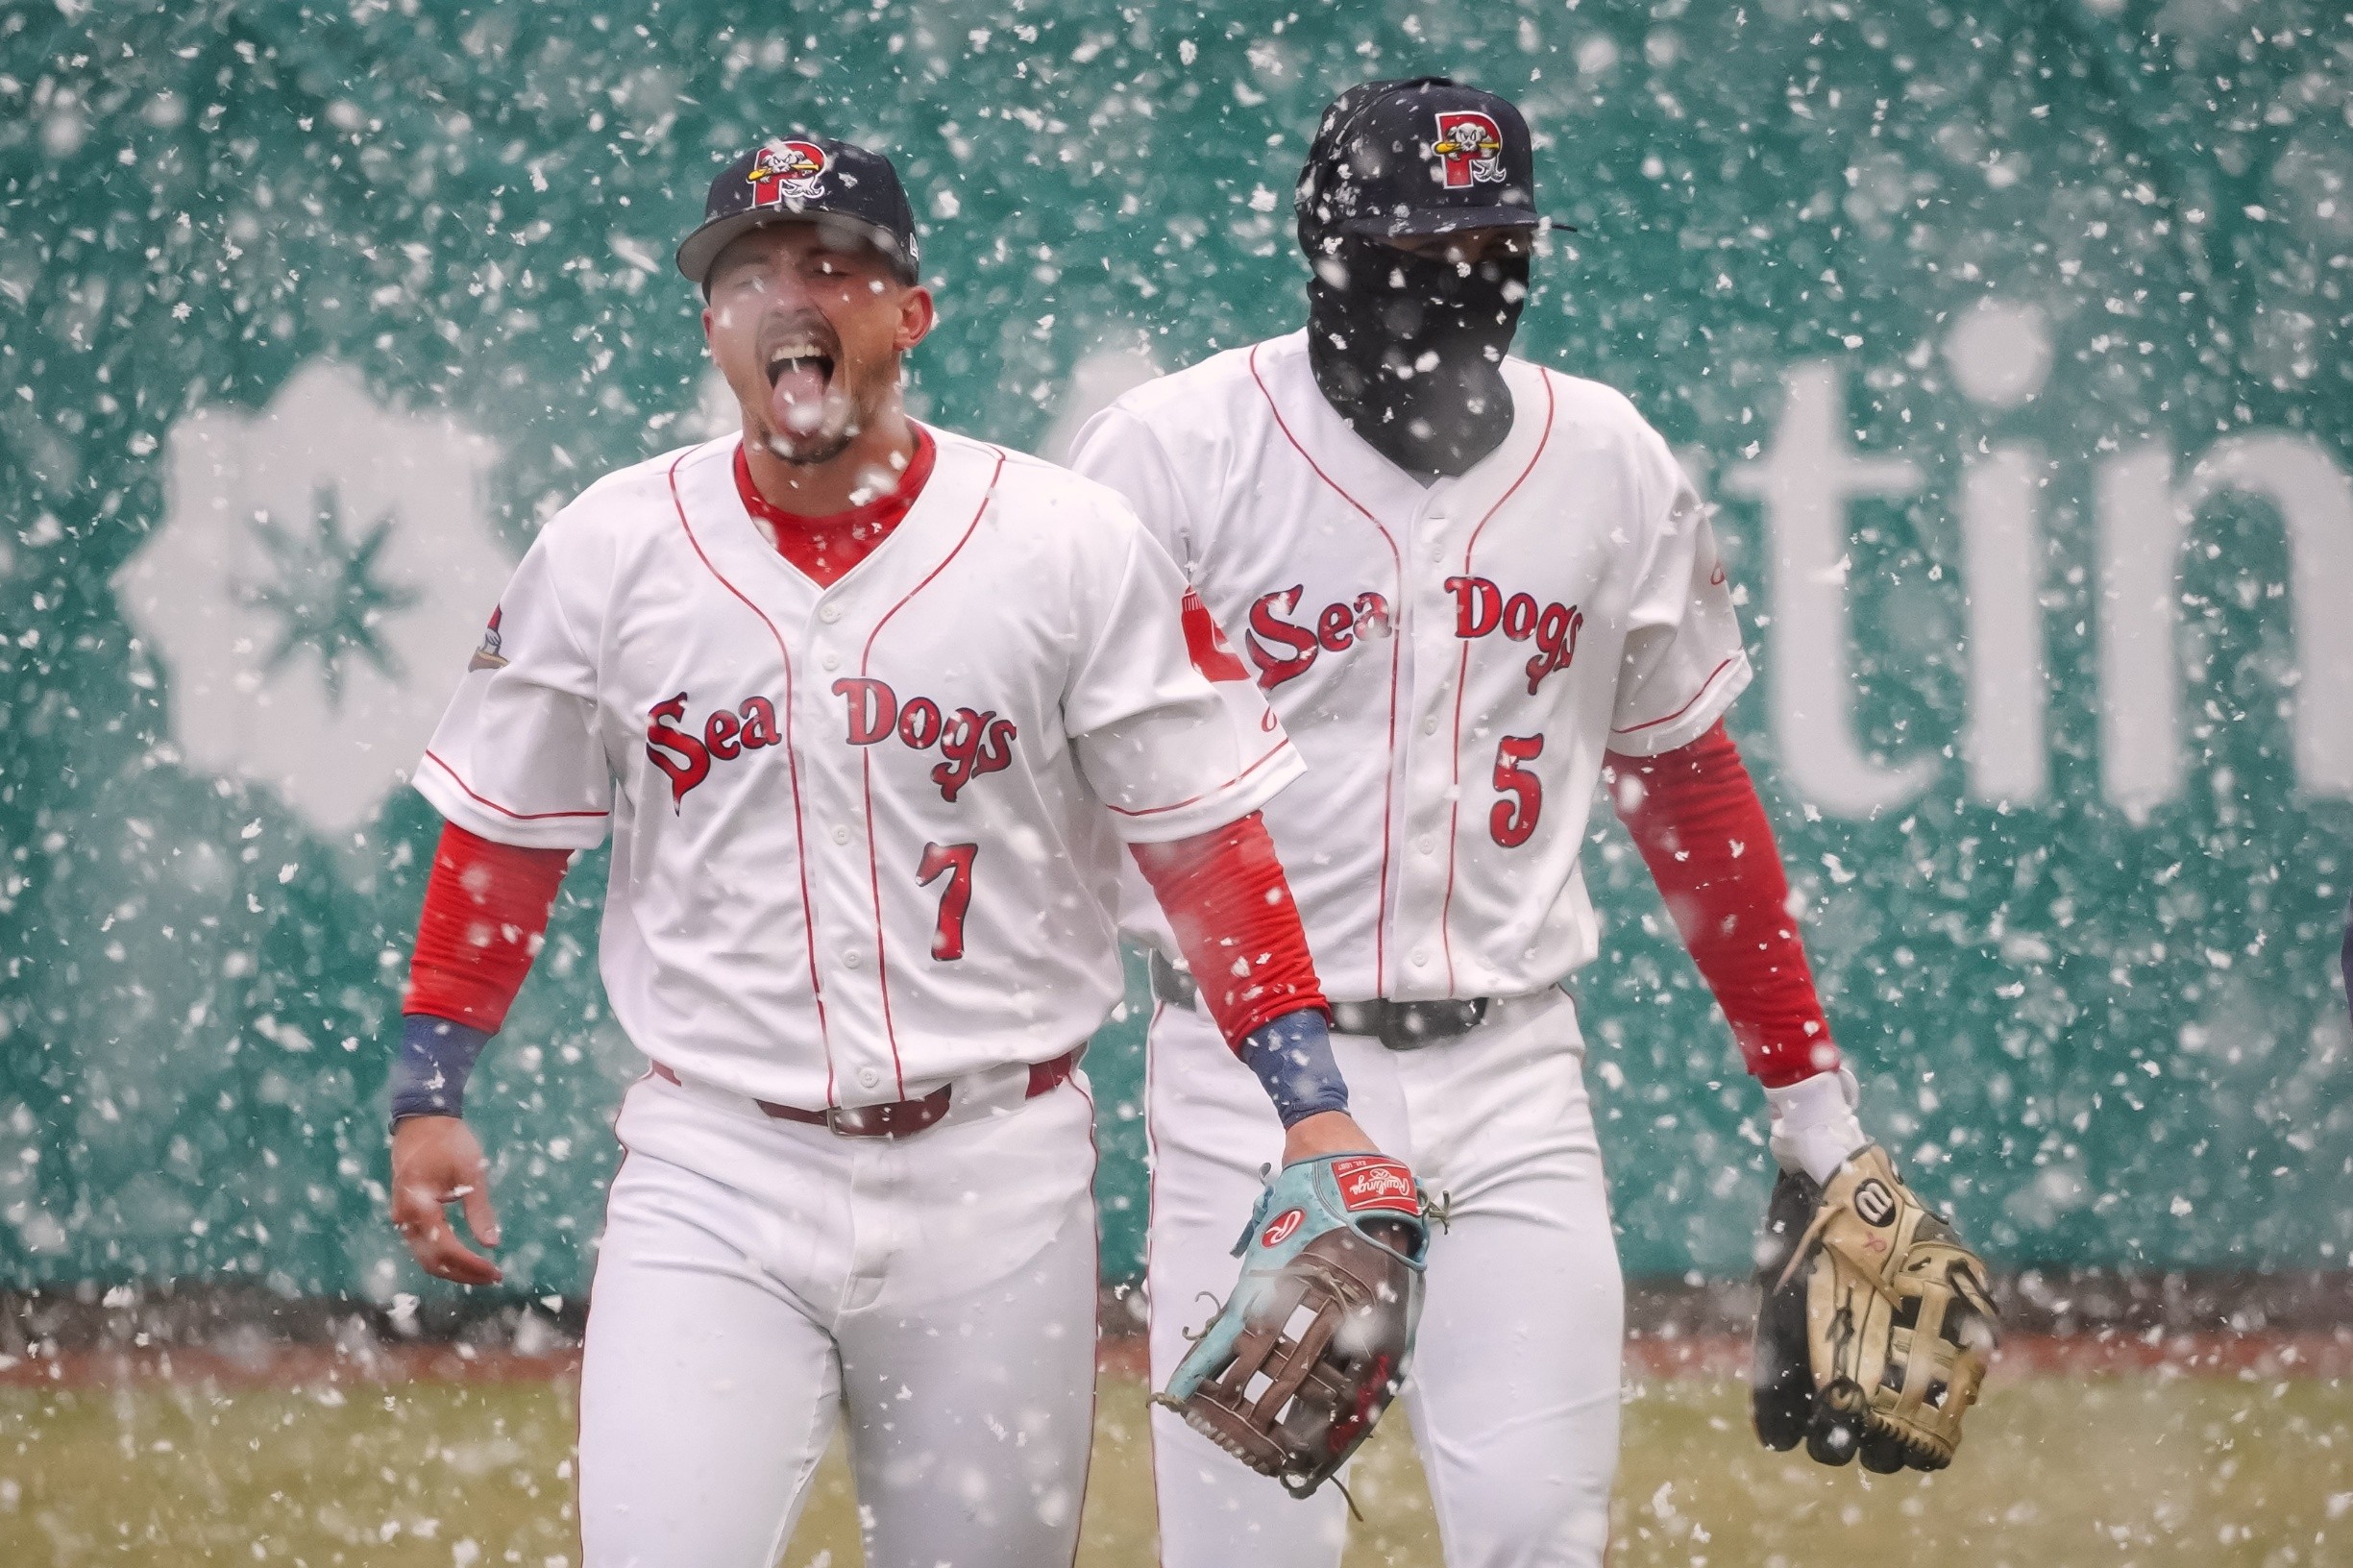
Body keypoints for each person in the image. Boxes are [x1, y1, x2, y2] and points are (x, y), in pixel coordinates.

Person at [384, 133, 1392, 1568]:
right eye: (750, 274)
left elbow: (1204, 849)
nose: (792, 296)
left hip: (997, 1173)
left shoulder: (1064, 542)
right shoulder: (611, 548)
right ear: (713, 325)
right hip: (714, 1164)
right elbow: (505, 842)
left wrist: (1311, 1099)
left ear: (909, 313)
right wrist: (431, 1085)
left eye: (834, 267)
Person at [1070, 78, 1876, 1566]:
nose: (1454, 286)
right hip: (1249, 1088)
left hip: (1514, 1079)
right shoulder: (1171, 454)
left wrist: (1812, 1108)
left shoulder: (1608, 457)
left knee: (1538, 1541)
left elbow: (1685, 782)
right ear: (1322, 247)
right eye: (1411, 251)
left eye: (1489, 245)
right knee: (1246, 1553)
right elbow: (1088, 795)